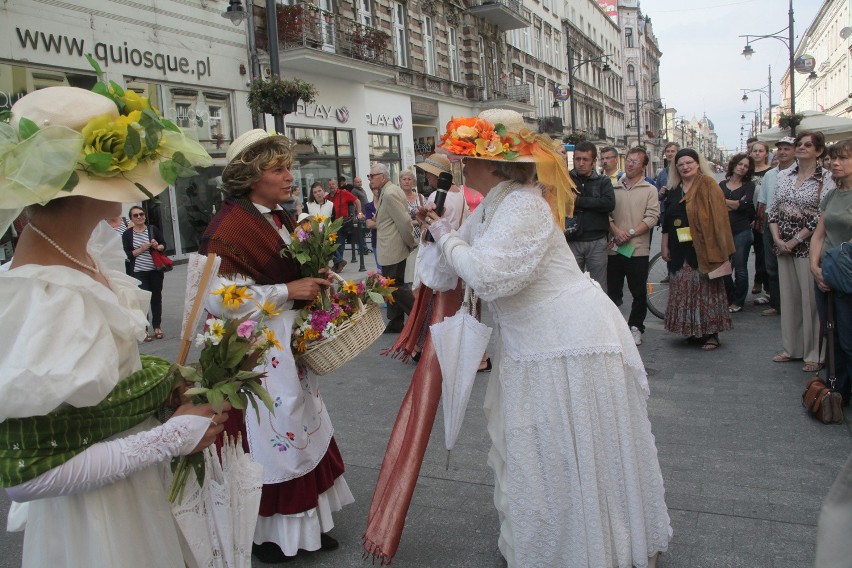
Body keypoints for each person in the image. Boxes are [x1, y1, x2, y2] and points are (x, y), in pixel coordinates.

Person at [415, 109, 671, 568]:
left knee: (567, 444)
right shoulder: (493, 205)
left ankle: (592, 547)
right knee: (536, 446)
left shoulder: (524, 205)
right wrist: (436, 234)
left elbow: (489, 277)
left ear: (494, 162)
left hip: (566, 342)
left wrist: (443, 234)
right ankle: (552, 543)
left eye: (465, 157)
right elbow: (440, 274)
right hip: (530, 343)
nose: (459, 165)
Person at [0, 85, 222, 567]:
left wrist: (157, 392)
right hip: (98, 517)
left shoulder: (77, 256)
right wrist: (171, 437)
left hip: (124, 493)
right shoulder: (52, 296)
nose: (127, 201)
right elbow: (28, 474)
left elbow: (94, 386)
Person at [199, 129, 354, 563]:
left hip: (284, 342)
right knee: (273, 431)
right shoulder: (227, 229)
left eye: (288, 166)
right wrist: (288, 290)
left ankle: (309, 523)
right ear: (251, 176)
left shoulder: (279, 215)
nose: (290, 175)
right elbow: (219, 300)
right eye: (278, 169)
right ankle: (272, 533)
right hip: (256, 352)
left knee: (302, 422)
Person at [364, 154, 470, 562]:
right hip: (429, 253)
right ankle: (415, 333)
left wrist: (426, 229)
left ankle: (419, 335)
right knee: (413, 298)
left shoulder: (446, 195)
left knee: (414, 297)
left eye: (423, 172)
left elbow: (430, 229)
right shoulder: (427, 193)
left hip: (436, 256)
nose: (419, 176)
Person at [768, 131, 834, 373]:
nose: (802, 148)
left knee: (810, 302)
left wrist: (796, 240)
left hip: (808, 246)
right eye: (800, 144)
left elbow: (821, 215)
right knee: (790, 298)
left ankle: (814, 353)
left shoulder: (825, 178)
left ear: (819, 150)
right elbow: (773, 208)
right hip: (782, 244)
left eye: (808, 145)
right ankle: (791, 348)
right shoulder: (784, 175)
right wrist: (777, 238)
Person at [661, 148, 735, 351]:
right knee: (685, 289)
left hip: (703, 247)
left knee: (706, 291)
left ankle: (712, 334)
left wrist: (722, 250)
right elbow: (667, 219)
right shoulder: (674, 188)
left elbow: (720, 219)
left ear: (697, 163)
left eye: (689, 163)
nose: (685, 167)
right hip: (679, 248)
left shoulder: (709, 185)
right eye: (680, 164)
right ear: (675, 168)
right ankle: (693, 331)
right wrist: (664, 243)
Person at [810, 138, 852, 406]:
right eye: (833, 158)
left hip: (848, 276)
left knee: (848, 339)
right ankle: (839, 390)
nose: (834, 163)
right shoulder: (832, 195)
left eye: (843, 158)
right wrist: (815, 267)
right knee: (832, 334)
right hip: (828, 275)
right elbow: (819, 235)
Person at [607, 146, 660, 345]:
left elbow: (652, 217)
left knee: (638, 291)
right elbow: (607, 215)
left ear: (644, 166)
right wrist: (615, 231)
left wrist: (629, 233)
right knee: (613, 291)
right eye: (628, 160)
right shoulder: (614, 187)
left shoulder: (650, 190)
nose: (630, 164)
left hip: (638, 248)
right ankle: (615, 327)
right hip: (614, 248)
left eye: (635, 161)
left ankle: (636, 326)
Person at [372, 162, 416, 332]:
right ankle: (396, 321)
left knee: (393, 286)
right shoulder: (388, 191)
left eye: (373, 176)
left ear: (383, 177)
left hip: (393, 249)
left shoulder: (390, 193)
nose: (370, 179)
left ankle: (416, 316)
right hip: (391, 248)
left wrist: (410, 242)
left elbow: (404, 221)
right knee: (391, 284)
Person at [755, 137, 797, 316]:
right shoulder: (770, 175)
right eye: (780, 148)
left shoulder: (801, 172)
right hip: (770, 221)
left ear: (794, 151)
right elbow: (762, 201)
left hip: (794, 222)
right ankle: (777, 303)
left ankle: (794, 304)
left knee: (793, 264)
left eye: (787, 148)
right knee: (771, 265)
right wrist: (759, 222)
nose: (782, 152)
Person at [567, 140, 616, 290]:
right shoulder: (566, 180)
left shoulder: (603, 181)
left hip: (596, 241)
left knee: (598, 287)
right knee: (571, 287)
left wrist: (579, 201)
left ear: (593, 162)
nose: (581, 163)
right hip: (572, 240)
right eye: (577, 159)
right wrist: (593, 203)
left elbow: (608, 204)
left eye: (585, 159)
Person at [123, 205, 167, 341]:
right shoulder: (127, 234)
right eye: (135, 215)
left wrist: (156, 246)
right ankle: (144, 330)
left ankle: (157, 326)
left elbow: (163, 245)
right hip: (138, 272)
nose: (139, 217)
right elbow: (127, 254)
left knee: (156, 298)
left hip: (155, 270)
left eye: (141, 214)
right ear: (131, 218)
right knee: (143, 300)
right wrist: (141, 249)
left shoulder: (152, 229)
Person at [720, 153, 757, 313]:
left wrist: (725, 202)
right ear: (734, 164)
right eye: (740, 164)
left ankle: (738, 301)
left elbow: (745, 206)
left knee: (740, 267)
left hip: (742, 230)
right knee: (724, 267)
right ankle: (728, 297)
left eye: (746, 166)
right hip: (723, 230)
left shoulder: (749, 185)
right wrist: (735, 203)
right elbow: (714, 203)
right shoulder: (722, 184)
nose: (742, 167)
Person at [326, 177, 363, 272]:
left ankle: (337, 265)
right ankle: (339, 262)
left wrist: (359, 213)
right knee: (333, 244)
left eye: (333, 184)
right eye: (330, 185)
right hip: (332, 224)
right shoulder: (327, 197)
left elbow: (357, 201)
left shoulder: (344, 193)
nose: (331, 186)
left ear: (337, 185)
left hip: (343, 223)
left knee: (339, 244)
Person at [750, 141, 773, 296]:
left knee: (762, 250)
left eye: (760, 151)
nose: (757, 153)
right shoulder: (747, 170)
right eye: (755, 151)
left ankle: (763, 280)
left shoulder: (771, 172)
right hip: (747, 215)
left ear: (766, 153)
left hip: (763, 216)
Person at [399, 168, 425, 287]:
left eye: (409, 179)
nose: (407, 182)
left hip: (422, 238)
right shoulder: (398, 198)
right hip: (407, 238)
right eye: (404, 179)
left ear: (413, 181)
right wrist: (416, 221)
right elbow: (400, 220)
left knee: (422, 270)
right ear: (400, 181)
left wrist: (414, 221)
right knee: (409, 272)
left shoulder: (420, 197)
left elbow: (426, 216)